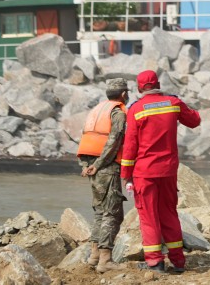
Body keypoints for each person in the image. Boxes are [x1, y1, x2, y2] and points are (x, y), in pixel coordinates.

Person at [121, 70, 201, 273]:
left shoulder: (136, 109)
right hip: (168, 171)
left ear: (139, 88)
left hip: (144, 172)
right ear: (158, 83)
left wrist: (125, 175)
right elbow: (194, 121)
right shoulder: (173, 103)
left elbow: (130, 146)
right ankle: (178, 261)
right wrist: (181, 104)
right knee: (169, 214)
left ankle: (155, 262)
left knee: (149, 217)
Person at [77, 78, 129, 273]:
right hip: (105, 167)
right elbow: (114, 142)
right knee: (112, 213)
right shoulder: (117, 112)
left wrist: (87, 165)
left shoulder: (97, 110)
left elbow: (86, 137)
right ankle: (105, 260)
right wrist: (99, 165)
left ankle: (94, 256)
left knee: (100, 211)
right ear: (123, 94)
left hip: (90, 165)